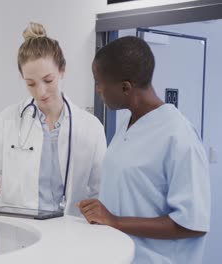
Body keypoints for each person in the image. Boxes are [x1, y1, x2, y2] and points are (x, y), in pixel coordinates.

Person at [77, 36, 210, 263]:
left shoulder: (178, 136)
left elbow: (193, 223)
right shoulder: (127, 126)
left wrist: (115, 221)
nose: (98, 89)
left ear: (125, 87)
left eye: (100, 83)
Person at [0, 22, 107, 217]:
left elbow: (101, 190)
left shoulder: (90, 127)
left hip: (72, 232)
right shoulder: (8, 120)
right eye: (31, 84)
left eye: (48, 80)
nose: (41, 91)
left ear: (62, 70)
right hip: (22, 230)